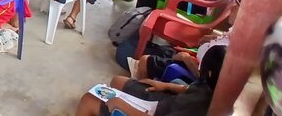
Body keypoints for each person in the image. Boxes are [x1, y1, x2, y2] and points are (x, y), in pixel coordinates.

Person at [74, 45, 227, 116]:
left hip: (155, 112)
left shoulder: (202, 110)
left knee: (89, 100)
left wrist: (123, 106)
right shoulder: (218, 86)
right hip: (164, 102)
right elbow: (193, 89)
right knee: (117, 81)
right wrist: (164, 85)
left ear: (211, 73)